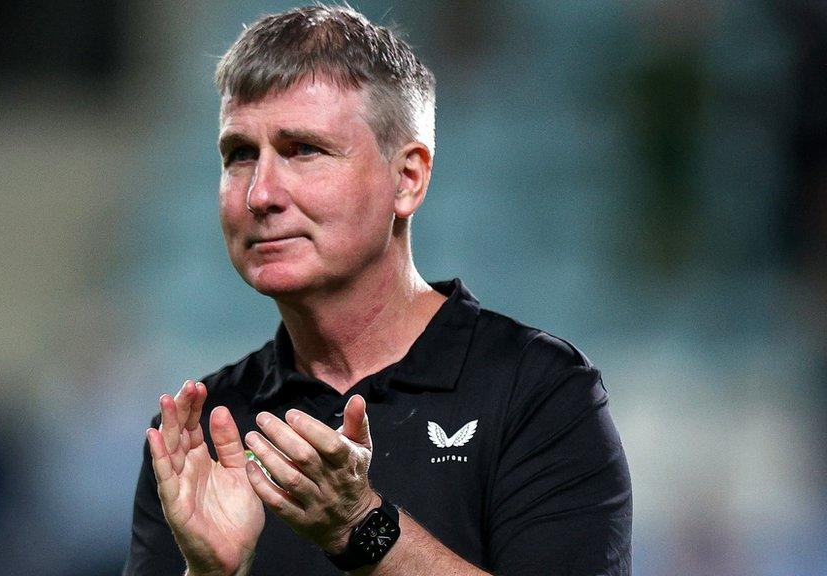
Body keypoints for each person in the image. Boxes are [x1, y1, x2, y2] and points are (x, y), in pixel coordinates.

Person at [125, 5, 632, 575]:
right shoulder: (202, 432)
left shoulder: (538, 394)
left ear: (407, 178)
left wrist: (361, 528)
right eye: (240, 155)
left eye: (304, 150)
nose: (260, 194)